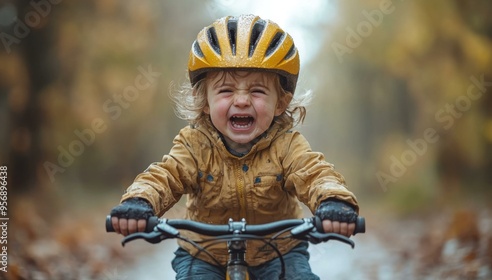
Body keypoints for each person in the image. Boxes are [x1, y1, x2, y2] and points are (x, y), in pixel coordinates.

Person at [109, 14, 359, 279]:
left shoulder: (287, 145)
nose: (241, 100)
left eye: (258, 91)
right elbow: (166, 175)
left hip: (278, 251)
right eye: (226, 90)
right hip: (203, 251)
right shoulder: (194, 145)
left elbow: (314, 173)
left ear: (281, 103)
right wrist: (139, 201)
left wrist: (334, 202)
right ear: (204, 100)